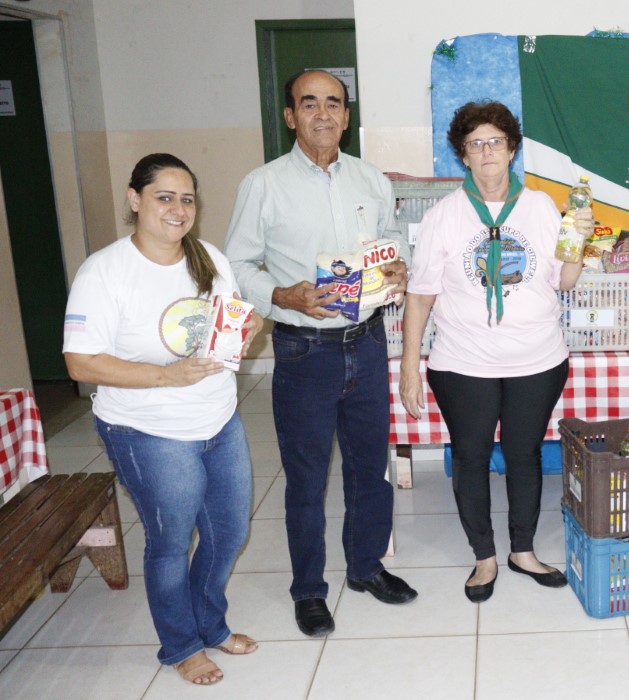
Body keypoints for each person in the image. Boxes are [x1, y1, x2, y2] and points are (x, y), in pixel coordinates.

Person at [224, 70, 416, 637]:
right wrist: (282, 295)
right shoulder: (263, 184)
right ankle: (308, 589)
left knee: (368, 469)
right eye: (309, 104)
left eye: (334, 103)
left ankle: (365, 567)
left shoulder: (371, 179)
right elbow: (236, 265)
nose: (323, 114)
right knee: (307, 479)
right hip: (304, 350)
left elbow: (392, 238)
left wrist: (398, 266)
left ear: (347, 116)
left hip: (368, 342)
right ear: (291, 116)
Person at [62, 153, 262, 685]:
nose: (178, 209)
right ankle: (180, 645)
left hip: (218, 420)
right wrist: (165, 377)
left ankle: (211, 625)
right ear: (135, 200)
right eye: (164, 197)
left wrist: (247, 327)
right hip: (146, 431)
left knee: (228, 532)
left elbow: (228, 324)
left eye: (187, 199)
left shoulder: (208, 257)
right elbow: (80, 362)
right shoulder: (104, 272)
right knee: (171, 541)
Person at [399, 101, 583, 603]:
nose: (486, 153)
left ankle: (522, 551)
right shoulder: (443, 217)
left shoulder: (541, 208)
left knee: (525, 454)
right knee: (471, 456)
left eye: (495, 142)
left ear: (512, 149)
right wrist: (410, 368)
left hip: (537, 359)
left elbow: (564, 281)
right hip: (463, 363)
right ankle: (484, 557)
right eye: (475, 144)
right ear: (463, 155)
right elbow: (420, 296)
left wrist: (579, 244)